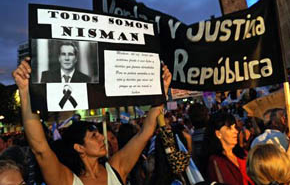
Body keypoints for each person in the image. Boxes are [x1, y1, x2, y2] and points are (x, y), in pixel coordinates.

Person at [13, 57, 171, 185]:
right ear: (79, 147)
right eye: (93, 136)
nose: (102, 137)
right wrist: (25, 91)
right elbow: (40, 149)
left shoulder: (115, 169)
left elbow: (145, 133)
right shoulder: (66, 180)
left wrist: (162, 91)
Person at [206, 112, 254, 185]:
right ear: (218, 134)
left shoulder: (242, 153)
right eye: (229, 128)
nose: (235, 131)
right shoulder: (216, 161)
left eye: (235, 127)